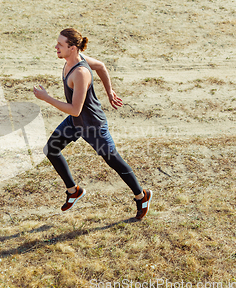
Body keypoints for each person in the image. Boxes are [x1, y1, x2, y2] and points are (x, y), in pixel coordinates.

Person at [33, 28, 152, 220]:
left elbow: (75, 109)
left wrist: (47, 98)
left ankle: (141, 196)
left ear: (72, 48)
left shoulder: (80, 72)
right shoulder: (73, 60)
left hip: (92, 125)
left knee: (113, 161)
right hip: (76, 122)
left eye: (60, 44)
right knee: (51, 149)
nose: (56, 47)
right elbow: (102, 66)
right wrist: (109, 91)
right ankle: (74, 191)